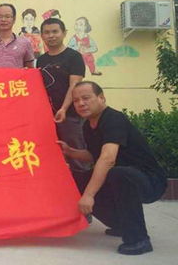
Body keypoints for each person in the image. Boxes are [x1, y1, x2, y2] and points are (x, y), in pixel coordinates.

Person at [58, 82, 167, 255]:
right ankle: (121, 224)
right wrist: (70, 151)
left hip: (150, 180)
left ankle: (139, 240)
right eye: (76, 100)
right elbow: (94, 155)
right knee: (76, 180)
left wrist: (89, 195)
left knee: (118, 173)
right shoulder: (87, 125)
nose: (80, 104)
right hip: (121, 176)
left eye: (86, 98)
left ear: (101, 97)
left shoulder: (114, 119)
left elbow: (108, 159)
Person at [37, 18, 90, 175]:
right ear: (42, 35)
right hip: (47, 118)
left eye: (55, 31)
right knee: (50, 157)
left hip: (70, 116)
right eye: (47, 32)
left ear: (64, 33)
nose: (51, 36)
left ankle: (84, 187)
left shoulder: (74, 57)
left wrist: (64, 109)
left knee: (76, 157)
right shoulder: (41, 60)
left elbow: (74, 85)